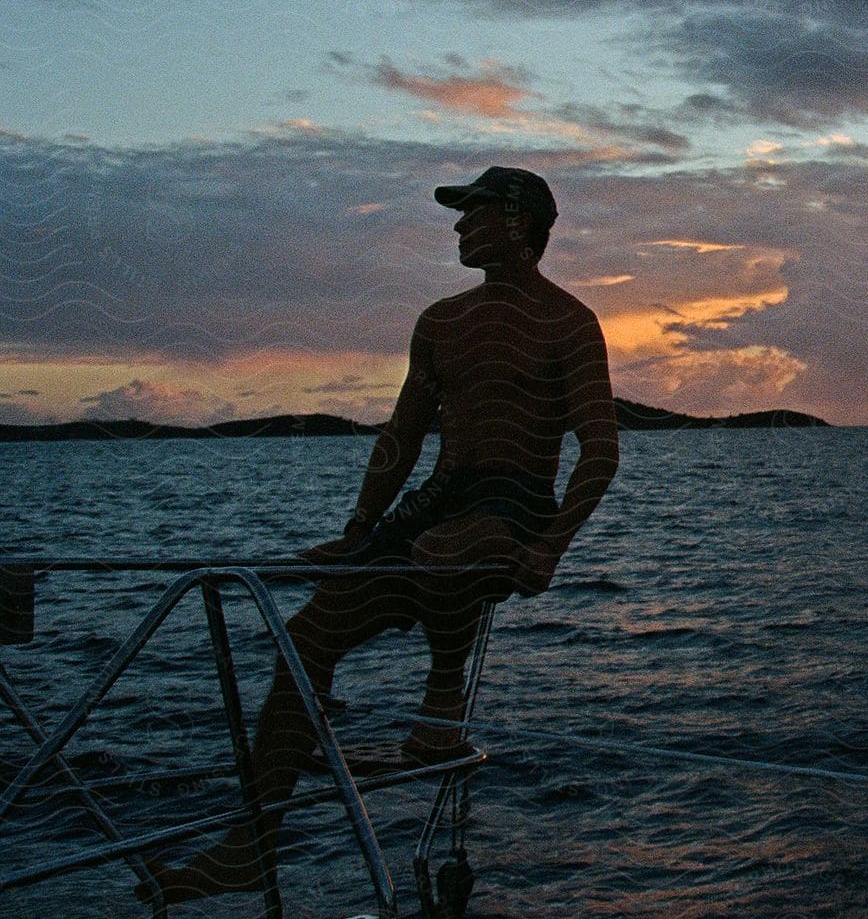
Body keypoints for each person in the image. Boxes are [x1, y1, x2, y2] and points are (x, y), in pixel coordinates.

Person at [142, 167, 619, 904]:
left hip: (514, 504)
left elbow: (600, 447)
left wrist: (550, 546)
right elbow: (402, 432)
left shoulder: (569, 323)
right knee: (305, 634)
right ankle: (250, 849)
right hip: (436, 503)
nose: (458, 227)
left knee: (444, 556)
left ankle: (440, 706)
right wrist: (360, 529)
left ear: (519, 221)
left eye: (473, 213)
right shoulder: (439, 322)